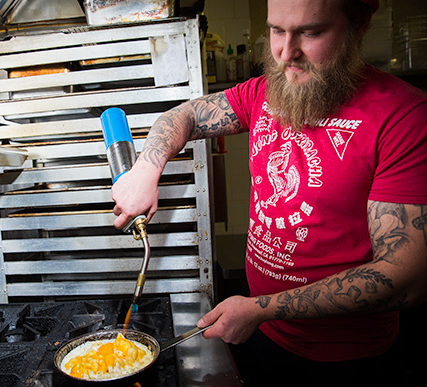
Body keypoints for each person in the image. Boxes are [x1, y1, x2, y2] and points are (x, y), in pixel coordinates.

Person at [110, 0, 427, 385]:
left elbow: (406, 280)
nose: (285, 53)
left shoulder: (405, 116)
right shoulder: (266, 92)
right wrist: (146, 168)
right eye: (277, 30)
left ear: (359, 25)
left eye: (310, 33)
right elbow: (187, 115)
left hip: (345, 360)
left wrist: (262, 308)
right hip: (260, 331)